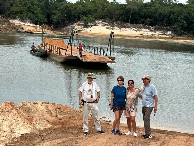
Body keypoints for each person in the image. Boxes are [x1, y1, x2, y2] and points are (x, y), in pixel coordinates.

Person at [140, 74, 158, 139]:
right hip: (144, 105)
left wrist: (155, 106)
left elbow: (155, 96)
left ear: (148, 80)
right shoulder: (143, 86)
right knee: (145, 119)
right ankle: (146, 133)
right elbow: (142, 96)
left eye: (145, 79)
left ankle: (149, 134)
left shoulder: (152, 87)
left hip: (149, 106)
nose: (143, 80)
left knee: (146, 118)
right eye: (143, 79)